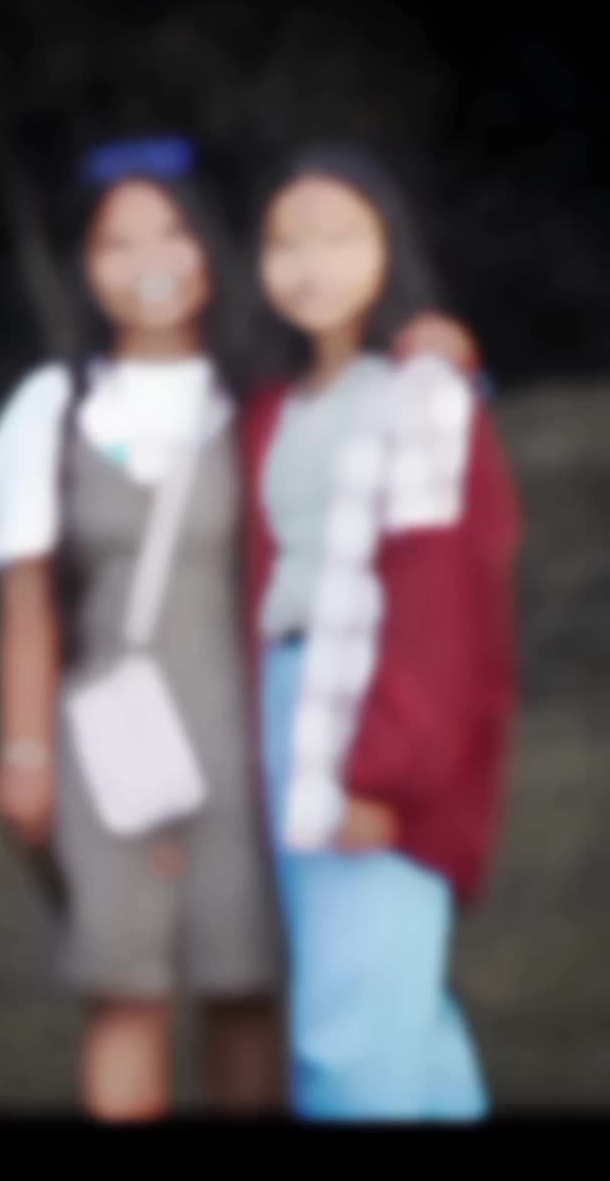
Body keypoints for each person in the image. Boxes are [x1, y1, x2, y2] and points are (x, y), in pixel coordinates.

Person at [0, 136, 285, 1120]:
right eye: (116, 242)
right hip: (105, 752)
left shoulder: (259, 396)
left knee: (244, 995)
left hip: (247, 746)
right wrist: (23, 750)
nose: (149, 259)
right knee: (125, 998)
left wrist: (434, 345)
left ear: (209, 250)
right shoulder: (49, 408)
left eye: (172, 232)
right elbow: (28, 603)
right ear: (84, 266)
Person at [239, 141, 522, 1121]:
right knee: (402, 1017)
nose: (308, 264)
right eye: (285, 242)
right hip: (286, 702)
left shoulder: (421, 395)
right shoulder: (276, 405)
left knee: (350, 1037)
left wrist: (384, 772)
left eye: (336, 237)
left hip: (372, 720)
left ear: (387, 246)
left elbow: (443, 596)